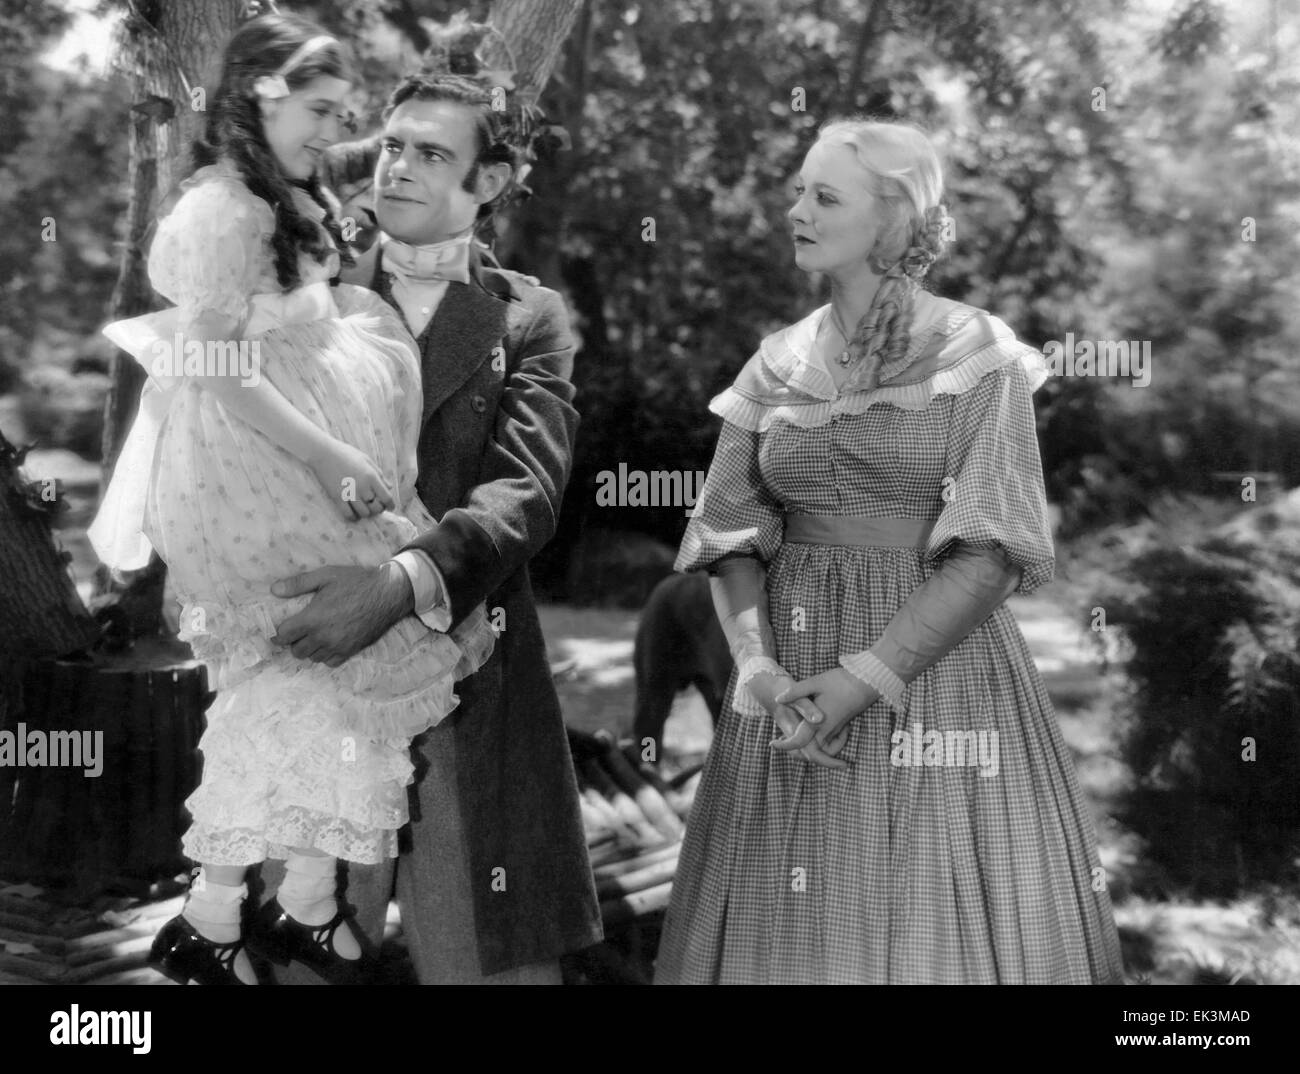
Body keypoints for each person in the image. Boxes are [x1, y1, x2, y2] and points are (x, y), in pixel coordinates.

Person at [653, 118, 1124, 984]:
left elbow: (992, 547)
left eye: (823, 196)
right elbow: (731, 531)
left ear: (895, 222)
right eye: (797, 190)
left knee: (922, 923)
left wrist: (870, 675)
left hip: (934, 674)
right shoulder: (774, 364)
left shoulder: (977, 354)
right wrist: (757, 669)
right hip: (786, 677)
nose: (794, 209)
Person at [88, 12, 496, 985]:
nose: (333, 129)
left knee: (337, 677)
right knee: (287, 669)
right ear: (263, 100)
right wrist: (328, 458)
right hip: (253, 467)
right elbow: (220, 366)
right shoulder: (222, 210)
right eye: (318, 110)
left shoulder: (286, 192)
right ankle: (211, 914)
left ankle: (302, 900)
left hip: (290, 451)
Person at [259, 66, 604, 984]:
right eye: (393, 146)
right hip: (318, 663)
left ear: (488, 181)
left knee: (490, 962)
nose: (398, 169)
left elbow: (526, 492)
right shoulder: (307, 288)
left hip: (473, 667)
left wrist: (399, 585)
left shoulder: (530, 315)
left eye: (433, 154)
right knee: (298, 955)